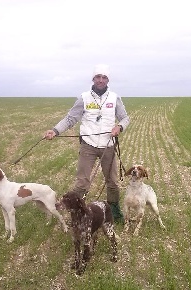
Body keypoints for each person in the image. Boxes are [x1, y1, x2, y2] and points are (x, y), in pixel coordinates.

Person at [44, 64, 130, 222]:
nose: (101, 80)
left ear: (108, 80)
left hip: (108, 146)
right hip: (88, 146)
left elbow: (125, 118)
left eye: (104, 77)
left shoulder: (114, 98)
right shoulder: (84, 98)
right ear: (93, 78)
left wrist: (119, 126)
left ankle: (114, 209)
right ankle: (77, 211)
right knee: (82, 181)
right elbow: (70, 119)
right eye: (98, 77)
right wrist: (55, 131)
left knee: (112, 181)